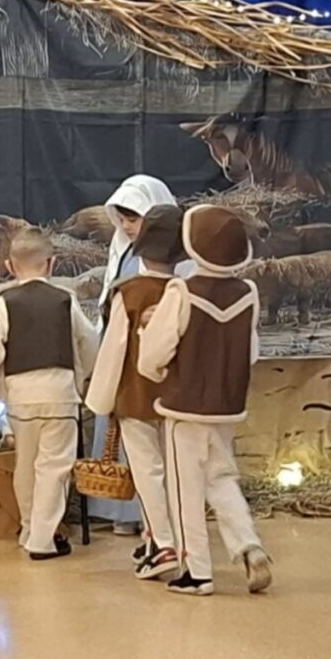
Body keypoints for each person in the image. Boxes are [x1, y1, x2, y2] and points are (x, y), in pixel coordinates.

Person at [139, 204, 273, 596]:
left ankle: (196, 571)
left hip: (184, 406)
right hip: (226, 408)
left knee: (185, 490)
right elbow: (251, 353)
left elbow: (154, 353)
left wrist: (155, 370)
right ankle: (249, 545)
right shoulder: (248, 293)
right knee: (221, 477)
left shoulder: (181, 291)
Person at [0, 227, 98, 560]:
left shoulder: (2, 303)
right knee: (54, 468)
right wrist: (84, 377)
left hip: (20, 398)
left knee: (26, 466)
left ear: (9, 265)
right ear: (52, 263)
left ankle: (30, 528)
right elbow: (89, 340)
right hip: (60, 395)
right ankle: (43, 541)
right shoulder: (66, 299)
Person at [89, 174, 193, 535]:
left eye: (134, 219)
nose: (127, 227)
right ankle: (124, 513)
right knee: (125, 441)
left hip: (161, 368)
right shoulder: (122, 251)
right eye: (122, 219)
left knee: (158, 451)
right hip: (126, 367)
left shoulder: (178, 263)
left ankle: (160, 525)